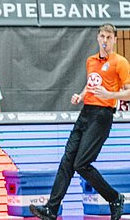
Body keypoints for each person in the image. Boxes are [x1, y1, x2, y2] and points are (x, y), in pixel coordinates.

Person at [30, 24, 128, 220]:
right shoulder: (91, 61)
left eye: (109, 37)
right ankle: (51, 209)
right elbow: (91, 83)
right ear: (98, 38)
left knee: (81, 163)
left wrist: (110, 94)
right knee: (67, 161)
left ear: (115, 40)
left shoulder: (120, 62)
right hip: (86, 113)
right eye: (102, 36)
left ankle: (114, 198)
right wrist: (81, 96)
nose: (105, 40)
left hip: (102, 115)